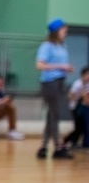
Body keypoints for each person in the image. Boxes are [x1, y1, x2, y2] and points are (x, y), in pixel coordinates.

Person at [36, 18, 73, 159]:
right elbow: (40, 65)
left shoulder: (62, 46)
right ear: (56, 31)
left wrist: (65, 68)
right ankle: (58, 147)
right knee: (55, 114)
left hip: (59, 82)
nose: (66, 31)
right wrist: (61, 67)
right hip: (49, 83)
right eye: (63, 29)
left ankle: (44, 146)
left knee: (51, 115)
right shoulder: (47, 46)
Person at [63, 66, 89, 149]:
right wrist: (78, 96)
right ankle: (65, 141)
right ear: (83, 75)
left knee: (82, 127)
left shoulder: (88, 85)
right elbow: (69, 95)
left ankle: (74, 142)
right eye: (87, 75)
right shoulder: (77, 84)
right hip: (75, 108)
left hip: (84, 108)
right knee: (78, 127)